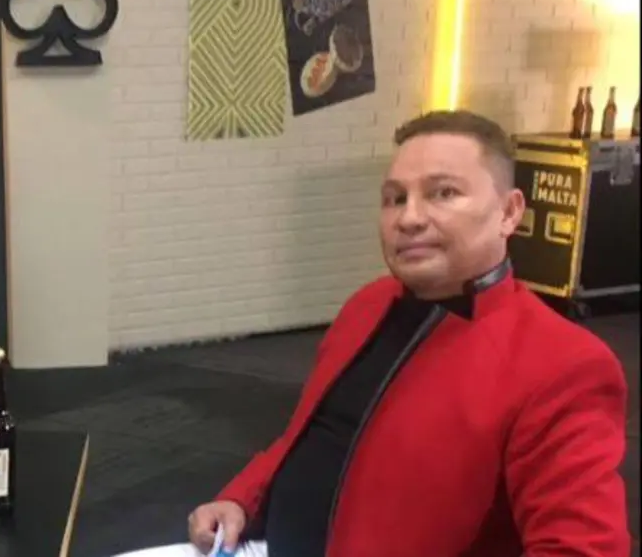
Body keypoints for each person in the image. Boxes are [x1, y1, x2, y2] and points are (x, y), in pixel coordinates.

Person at [188, 111, 629, 556]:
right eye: (395, 198)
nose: (409, 218)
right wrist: (241, 499)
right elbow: (311, 438)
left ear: (509, 212)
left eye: (444, 193)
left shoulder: (561, 364)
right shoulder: (368, 306)